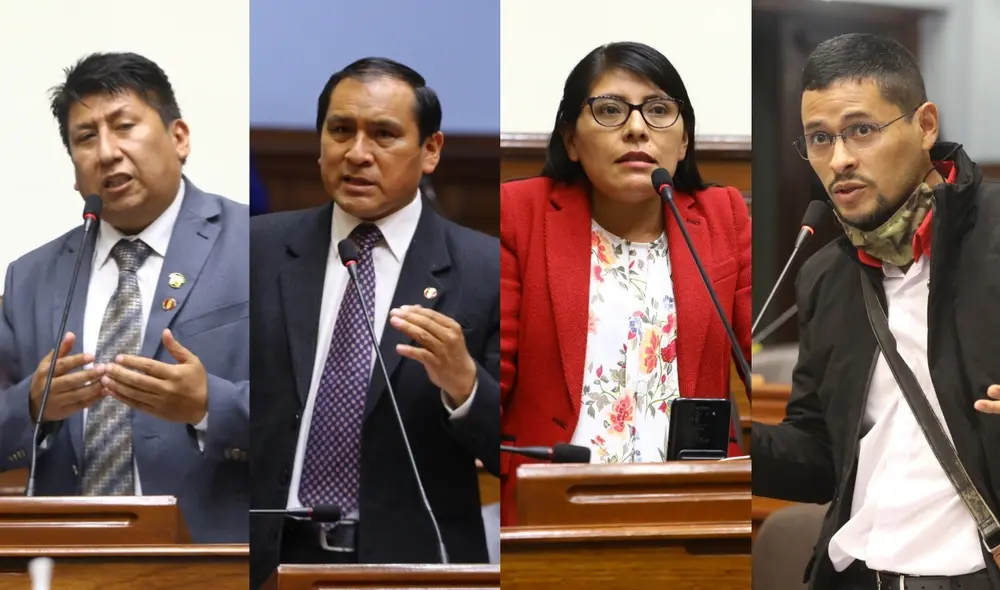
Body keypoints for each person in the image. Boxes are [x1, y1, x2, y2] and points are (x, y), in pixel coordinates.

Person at [752, 33, 1000, 590]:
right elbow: (822, 457)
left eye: (862, 130)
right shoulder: (825, 276)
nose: (839, 159)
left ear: (925, 125)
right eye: (820, 138)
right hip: (859, 575)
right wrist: (738, 439)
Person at [249, 58, 499, 589]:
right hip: (270, 554)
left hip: (413, 562)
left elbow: (514, 448)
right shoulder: (257, 250)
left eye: (383, 134)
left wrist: (465, 386)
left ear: (430, 150)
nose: (357, 154)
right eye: (341, 131)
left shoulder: (487, 269)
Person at [499, 41, 752, 526]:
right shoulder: (520, 214)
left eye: (658, 110)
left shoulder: (723, 218)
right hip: (552, 506)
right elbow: (495, 378)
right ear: (571, 140)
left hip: (692, 506)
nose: (637, 128)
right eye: (611, 110)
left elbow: (754, 353)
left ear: (683, 141)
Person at [0, 52, 250, 543]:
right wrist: (30, 405)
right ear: (74, 169)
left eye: (124, 126)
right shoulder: (29, 278)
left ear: (179, 138)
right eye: (85, 138)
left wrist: (209, 405)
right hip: (66, 560)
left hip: (214, 559)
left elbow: (307, 415)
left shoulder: (253, 245)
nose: (107, 152)